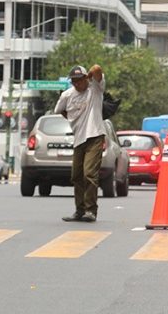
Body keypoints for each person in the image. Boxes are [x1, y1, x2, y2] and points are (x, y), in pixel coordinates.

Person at [54, 64, 106, 223]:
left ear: (85, 78)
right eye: (74, 81)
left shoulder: (95, 90)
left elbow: (97, 68)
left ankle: (91, 211)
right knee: (76, 176)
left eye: (79, 80)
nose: (77, 84)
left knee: (89, 173)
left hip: (95, 135)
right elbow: (59, 110)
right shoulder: (67, 95)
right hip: (79, 139)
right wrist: (74, 120)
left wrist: (88, 76)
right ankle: (80, 210)